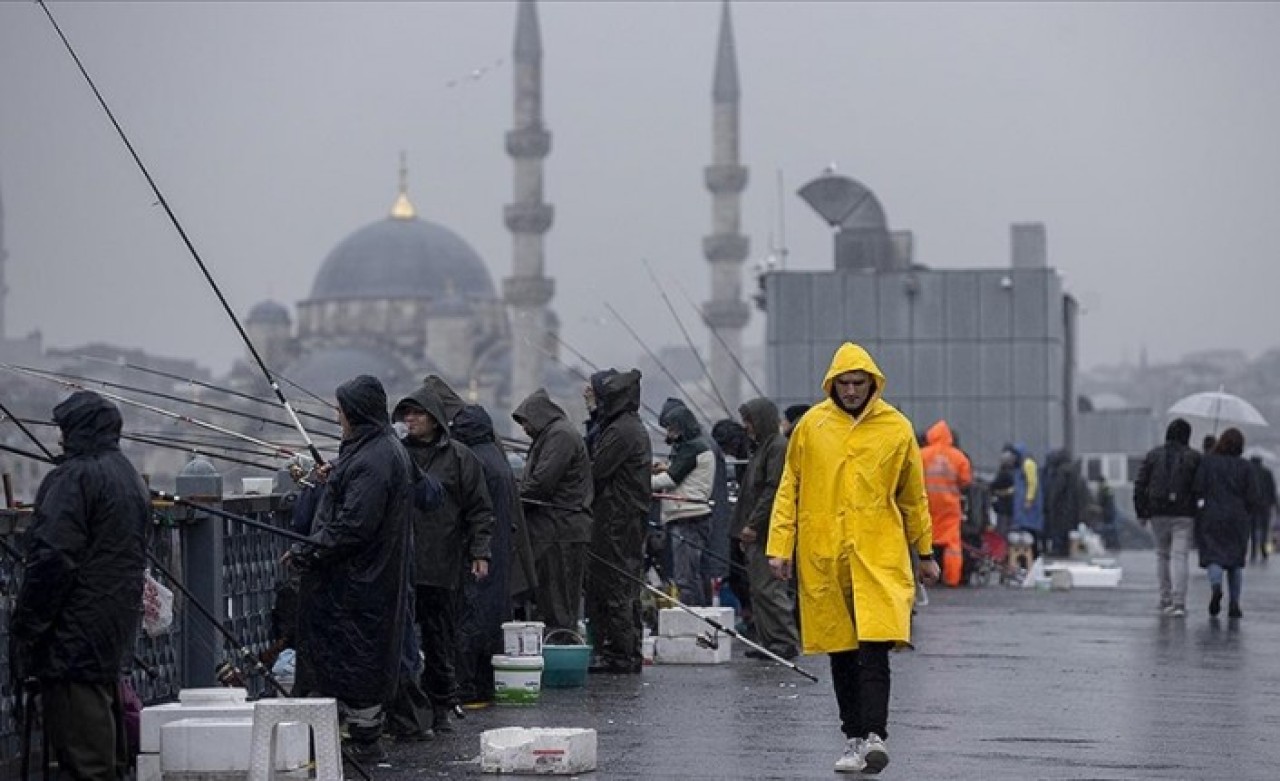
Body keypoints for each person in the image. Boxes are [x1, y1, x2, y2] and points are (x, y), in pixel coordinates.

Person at [767, 343, 937, 775]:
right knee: (840, 650)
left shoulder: (896, 429)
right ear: (832, 384)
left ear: (873, 383)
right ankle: (853, 737)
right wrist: (779, 546)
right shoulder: (812, 427)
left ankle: (875, 735)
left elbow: (913, 496)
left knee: (874, 646)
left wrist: (925, 551)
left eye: (858, 383)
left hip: (877, 552)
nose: (851, 391)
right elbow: (791, 486)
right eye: (844, 383)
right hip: (824, 552)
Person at [11, 391, 150, 780]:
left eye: (65, 430)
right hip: (110, 634)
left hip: (72, 640)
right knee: (107, 754)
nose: (59, 439)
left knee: (85, 761)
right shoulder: (128, 476)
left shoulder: (74, 478)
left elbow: (52, 560)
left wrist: (27, 630)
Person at [289, 375, 415, 764]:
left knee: (356, 657)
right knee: (354, 655)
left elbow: (353, 526)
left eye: (341, 410)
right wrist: (338, 475)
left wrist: (306, 551)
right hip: (363, 578)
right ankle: (353, 732)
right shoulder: (374, 451)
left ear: (355, 413)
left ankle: (361, 738)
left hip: (357, 582)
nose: (337, 416)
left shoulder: (374, 458)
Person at [392, 383, 494, 734]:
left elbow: (480, 510)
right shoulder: (396, 453)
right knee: (399, 643)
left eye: (417, 413)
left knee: (439, 641)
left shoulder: (460, 457)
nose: (410, 419)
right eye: (407, 413)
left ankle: (441, 706)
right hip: (400, 565)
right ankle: (404, 711)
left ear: (435, 419)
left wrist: (480, 552)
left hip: (442, 564)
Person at [584, 369, 652, 673]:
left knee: (616, 583)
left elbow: (597, 470)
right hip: (624, 517)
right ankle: (624, 650)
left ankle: (621, 654)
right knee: (623, 583)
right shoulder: (627, 426)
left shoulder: (622, 431)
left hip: (617, 519)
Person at [513, 388, 594, 638]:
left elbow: (542, 483)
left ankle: (561, 651)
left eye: (525, 422)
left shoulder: (560, 436)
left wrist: (513, 502)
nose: (524, 429)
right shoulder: (553, 434)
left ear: (537, 416)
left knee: (559, 602)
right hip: (556, 530)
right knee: (551, 599)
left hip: (561, 531)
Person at [736, 397, 798, 660]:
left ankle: (784, 641)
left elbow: (772, 491)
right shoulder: (765, 447)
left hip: (767, 531)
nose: (746, 427)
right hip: (759, 530)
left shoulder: (777, 448)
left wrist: (752, 525)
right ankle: (769, 641)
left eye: (749, 421)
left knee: (769, 588)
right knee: (759, 588)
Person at [1132, 418, 1201, 617]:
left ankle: (1165, 598)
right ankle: (1179, 602)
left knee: (1162, 555)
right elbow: (1200, 487)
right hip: (1184, 514)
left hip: (1158, 512)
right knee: (1180, 556)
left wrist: (1141, 512)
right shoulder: (1194, 457)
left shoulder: (1153, 455)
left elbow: (1140, 484)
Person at [652, 402, 717, 606]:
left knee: (685, 577)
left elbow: (671, 480)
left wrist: (640, 483)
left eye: (672, 428)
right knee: (691, 574)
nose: (670, 434)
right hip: (691, 517)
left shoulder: (692, 448)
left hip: (687, 518)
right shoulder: (697, 445)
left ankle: (693, 619)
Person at [1193, 428, 1260, 619]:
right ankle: (1234, 603)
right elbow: (1253, 496)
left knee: (1214, 557)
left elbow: (1198, 487)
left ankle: (1216, 587)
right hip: (1237, 518)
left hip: (1212, 515)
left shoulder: (1208, 462)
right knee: (1235, 562)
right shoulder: (1246, 467)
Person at [919, 420, 972, 586]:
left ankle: (925, 578)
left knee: (924, 543)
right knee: (952, 545)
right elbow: (965, 480)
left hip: (926, 506)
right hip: (949, 507)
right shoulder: (958, 456)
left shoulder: (921, 454)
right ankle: (952, 578)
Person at [1248, 455, 1276, 562]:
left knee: (1252, 529)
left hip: (1252, 505)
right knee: (1265, 530)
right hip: (1265, 505)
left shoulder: (1249, 472)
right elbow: (1272, 489)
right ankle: (1265, 552)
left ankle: (1253, 553)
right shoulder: (1267, 472)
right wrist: (1275, 506)